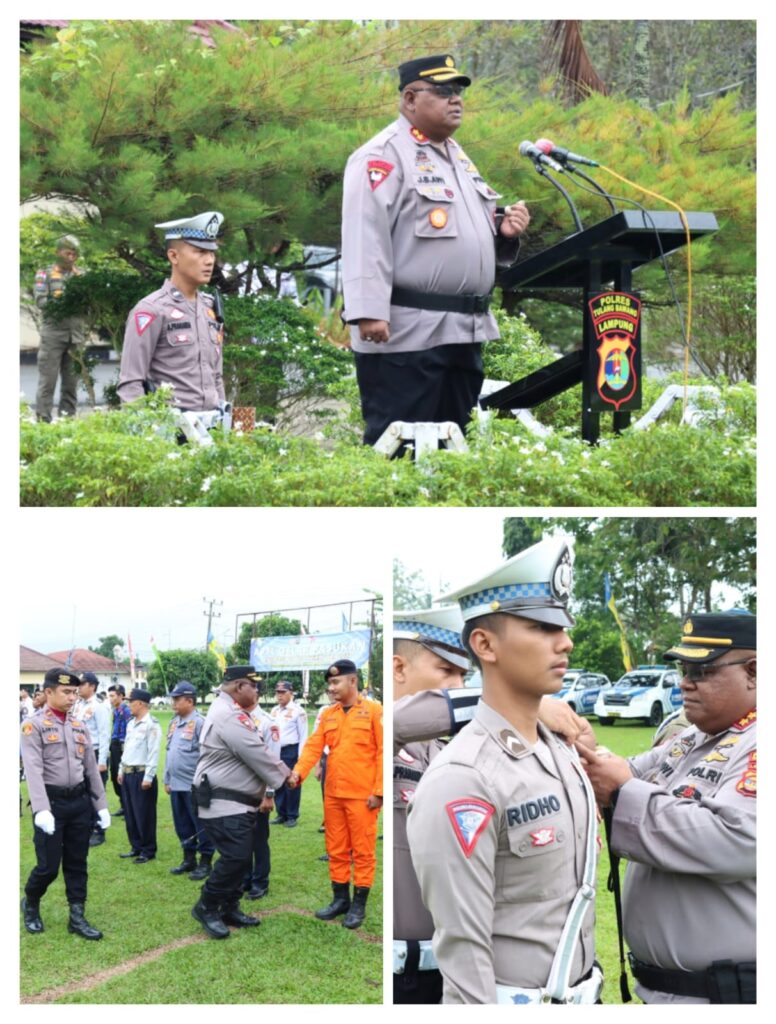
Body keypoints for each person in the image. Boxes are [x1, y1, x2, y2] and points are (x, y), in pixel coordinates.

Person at [406, 539, 601, 1004]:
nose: (566, 642)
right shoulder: (464, 777)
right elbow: (464, 950)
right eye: (541, 626)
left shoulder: (559, 751)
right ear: (484, 644)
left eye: (564, 627)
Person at [341, 54, 530, 446]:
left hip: (462, 333)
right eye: (443, 91)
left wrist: (502, 230)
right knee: (399, 449)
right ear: (410, 99)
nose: (455, 99)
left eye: (458, 91)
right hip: (406, 335)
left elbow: (456, 233)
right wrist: (368, 311)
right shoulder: (382, 156)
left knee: (449, 450)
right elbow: (365, 234)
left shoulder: (456, 157)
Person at [575, 611, 756, 1004]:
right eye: (684, 669)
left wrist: (622, 793)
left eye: (702, 670)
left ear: (754, 672)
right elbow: (626, 772)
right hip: (672, 992)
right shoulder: (694, 737)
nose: (684, 683)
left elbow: (740, 839)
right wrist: (584, 745)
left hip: (728, 997)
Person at [190, 665, 292, 940]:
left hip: (236, 801)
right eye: (253, 686)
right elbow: (256, 752)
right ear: (238, 687)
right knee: (236, 856)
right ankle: (207, 906)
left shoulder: (231, 712)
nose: (257, 691)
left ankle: (229, 906)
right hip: (224, 801)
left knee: (242, 856)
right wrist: (286, 776)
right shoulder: (229, 715)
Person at [289, 660, 383, 930]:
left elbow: (383, 752)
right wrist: (298, 772)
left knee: (363, 852)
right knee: (336, 849)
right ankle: (340, 899)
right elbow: (313, 747)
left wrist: (379, 792)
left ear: (352, 681)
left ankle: (358, 904)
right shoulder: (329, 714)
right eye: (329, 684)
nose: (331, 688)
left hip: (363, 797)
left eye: (335, 682)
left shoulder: (375, 711)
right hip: (333, 795)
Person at [20, 668, 109, 940]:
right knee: (48, 866)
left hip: (79, 803)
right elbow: (33, 769)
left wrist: (101, 805)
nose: (72, 698)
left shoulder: (78, 725)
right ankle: (31, 902)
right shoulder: (32, 726)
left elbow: (91, 770)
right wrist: (41, 808)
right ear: (48, 693)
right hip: (52, 804)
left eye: (74, 692)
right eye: (66, 692)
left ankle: (77, 916)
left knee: (77, 862)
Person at [118, 211, 226, 412]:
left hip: (212, 431)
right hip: (171, 432)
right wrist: (147, 435)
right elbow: (131, 384)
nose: (210, 260)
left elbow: (216, 377)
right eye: (200, 252)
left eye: (211, 253)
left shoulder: (210, 308)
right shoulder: (151, 310)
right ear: (174, 256)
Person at [163, 680, 215, 880]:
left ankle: (205, 862)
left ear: (190, 701)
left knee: (201, 824)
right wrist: (167, 778)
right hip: (176, 784)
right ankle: (189, 858)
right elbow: (170, 751)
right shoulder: (174, 722)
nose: (173, 703)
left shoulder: (200, 723)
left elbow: (208, 755)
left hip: (194, 785)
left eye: (177, 699)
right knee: (182, 823)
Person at [33, 234, 86, 422]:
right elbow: (41, 301)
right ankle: (43, 421)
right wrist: (65, 303)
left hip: (76, 336)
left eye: (74, 254)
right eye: (67, 253)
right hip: (53, 336)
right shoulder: (44, 273)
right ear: (57, 253)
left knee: (71, 384)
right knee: (48, 382)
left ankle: (68, 420)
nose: (71, 257)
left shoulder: (83, 276)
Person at [243, 679, 282, 899]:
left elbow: (273, 762)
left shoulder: (267, 722)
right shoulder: (236, 719)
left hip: (258, 791)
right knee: (242, 837)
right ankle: (245, 878)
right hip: (238, 790)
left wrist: (269, 794)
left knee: (258, 839)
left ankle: (260, 882)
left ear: (255, 692)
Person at [117, 688, 162, 863]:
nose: (128, 706)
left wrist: (149, 777)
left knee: (144, 814)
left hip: (141, 774)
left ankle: (148, 849)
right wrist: (121, 770)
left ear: (140, 703)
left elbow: (153, 751)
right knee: (130, 813)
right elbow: (127, 750)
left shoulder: (151, 724)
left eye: (131, 702)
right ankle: (136, 846)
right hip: (128, 773)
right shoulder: (131, 723)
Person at [74, 672, 111, 847]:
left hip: (95, 753)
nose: (79, 687)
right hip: (80, 754)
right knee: (82, 793)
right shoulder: (77, 705)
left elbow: (104, 735)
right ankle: (86, 827)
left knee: (96, 792)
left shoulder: (99, 706)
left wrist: (102, 761)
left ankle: (99, 829)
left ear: (92, 686)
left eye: (82, 684)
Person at [268, 680, 308, 828]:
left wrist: (301, 757)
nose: (279, 696)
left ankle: (292, 815)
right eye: (277, 692)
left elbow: (303, 735)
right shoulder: (274, 711)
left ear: (291, 693)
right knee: (278, 783)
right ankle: (281, 813)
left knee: (292, 783)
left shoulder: (299, 711)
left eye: (283, 692)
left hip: (291, 750)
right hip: (276, 750)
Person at [107, 684, 131, 816]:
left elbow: (128, 731)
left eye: (112, 696)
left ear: (121, 696)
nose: (110, 698)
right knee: (115, 774)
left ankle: (128, 806)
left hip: (122, 746)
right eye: (109, 696)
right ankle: (123, 804)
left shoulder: (126, 711)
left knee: (122, 776)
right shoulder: (116, 710)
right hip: (114, 744)